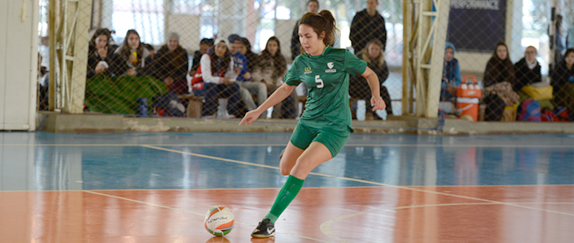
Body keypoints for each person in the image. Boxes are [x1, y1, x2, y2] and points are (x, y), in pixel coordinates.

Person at [239, 10, 385, 238]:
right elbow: (286, 88)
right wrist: (259, 110)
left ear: (322, 36)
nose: (304, 41)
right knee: (285, 169)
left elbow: (371, 74)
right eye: (300, 36)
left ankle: (269, 221)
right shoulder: (300, 62)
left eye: (308, 36)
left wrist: (376, 95)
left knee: (301, 166)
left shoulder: (341, 57)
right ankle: (297, 153)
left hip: (334, 127)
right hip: (308, 122)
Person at [255, 36, 297, 118]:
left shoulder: (280, 59)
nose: (272, 48)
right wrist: (262, 81)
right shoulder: (261, 58)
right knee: (278, 94)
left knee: (292, 91)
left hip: (277, 85)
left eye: (274, 45)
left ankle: (293, 116)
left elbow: (285, 75)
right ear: (267, 46)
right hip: (266, 85)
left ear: (278, 47)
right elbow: (255, 74)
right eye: (270, 45)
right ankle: (274, 118)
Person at [350, 39, 393, 119]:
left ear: (380, 51)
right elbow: (352, 75)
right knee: (370, 88)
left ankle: (390, 114)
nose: (374, 51)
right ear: (367, 49)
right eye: (372, 49)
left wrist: (375, 83)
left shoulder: (381, 61)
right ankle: (369, 113)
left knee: (383, 89)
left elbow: (385, 75)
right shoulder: (359, 58)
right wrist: (369, 82)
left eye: (377, 49)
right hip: (356, 87)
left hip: (372, 87)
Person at [200, 38, 241, 118]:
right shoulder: (206, 57)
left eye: (223, 48)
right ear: (214, 47)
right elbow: (206, 78)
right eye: (218, 47)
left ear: (226, 49)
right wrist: (222, 80)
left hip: (218, 84)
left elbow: (228, 76)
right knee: (211, 86)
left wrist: (234, 73)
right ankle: (208, 114)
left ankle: (231, 114)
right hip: (201, 84)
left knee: (235, 87)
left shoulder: (228, 59)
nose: (220, 50)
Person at [229, 34, 267, 112]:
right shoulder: (227, 56)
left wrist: (246, 76)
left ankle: (263, 114)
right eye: (233, 47)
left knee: (262, 86)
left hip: (243, 81)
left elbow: (246, 75)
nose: (236, 49)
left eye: (238, 47)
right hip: (233, 83)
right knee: (245, 92)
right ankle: (254, 113)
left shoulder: (242, 57)